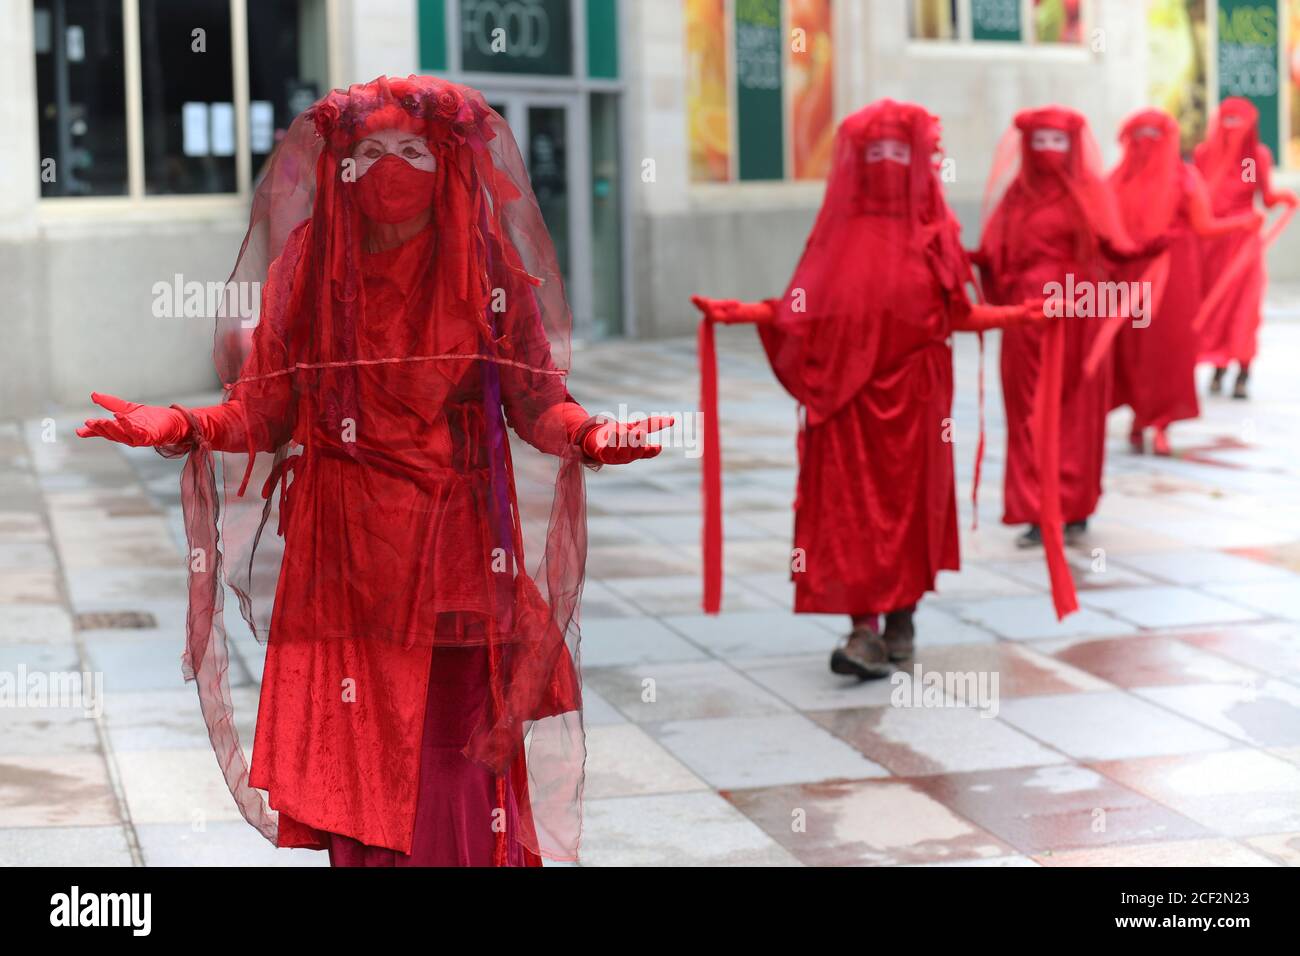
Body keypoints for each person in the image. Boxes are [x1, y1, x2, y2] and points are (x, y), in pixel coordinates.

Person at [77, 76, 668, 866]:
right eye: (369, 152)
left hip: (455, 561)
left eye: (414, 150)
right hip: (342, 563)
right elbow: (264, 409)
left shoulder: (485, 271)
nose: (391, 168)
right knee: (356, 771)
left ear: (449, 161)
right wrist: (182, 424)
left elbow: (536, 402)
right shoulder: (308, 267)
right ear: (339, 166)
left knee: (450, 771)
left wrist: (591, 436)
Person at [693, 100, 1046, 680]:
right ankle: (863, 628)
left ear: (917, 159)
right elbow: (802, 313)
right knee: (848, 511)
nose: (886, 164)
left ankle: (902, 619)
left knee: (910, 508)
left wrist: (1020, 317)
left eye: (898, 153)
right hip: (848, 399)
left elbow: (957, 314)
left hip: (917, 402)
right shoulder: (838, 236)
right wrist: (746, 313)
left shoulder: (935, 233)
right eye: (875, 153)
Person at [974, 106, 1158, 551]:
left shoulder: (1089, 193)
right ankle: (1037, 508)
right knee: (1029, 413)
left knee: (1076, 412)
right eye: (1039, 143)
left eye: (1057, 142)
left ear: (1073, 146)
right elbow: (993, 252)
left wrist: (1144, 250)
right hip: (1026, 320)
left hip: (1078, 318)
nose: (1048, 152)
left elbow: (1113, 249)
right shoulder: (1016, 197)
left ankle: (1074, 504)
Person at [1108, 108, 1260, 455]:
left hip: (1174, 278)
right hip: (1129, 276)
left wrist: (1241, 223)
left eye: (1153, 135)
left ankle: (1159, 421)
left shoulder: (1182, 178)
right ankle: (1141, 416)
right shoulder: (1118, 180)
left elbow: (1204, 226)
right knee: (1133, 348)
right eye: (1140, 135)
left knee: (1168, 348)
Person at [1194, 97, 1298, 400]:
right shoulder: (1205, 155)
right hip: (1212, 243)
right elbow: (1197, 197)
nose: (1233, 128)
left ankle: (1243, 368)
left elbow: (1261, 195)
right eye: (1227, 120)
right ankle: (1219, 365)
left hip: (1244, 245)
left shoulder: (1252, 160)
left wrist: (1283, 198)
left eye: (1238, 121)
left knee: (1244, 307)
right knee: (1216, 305)